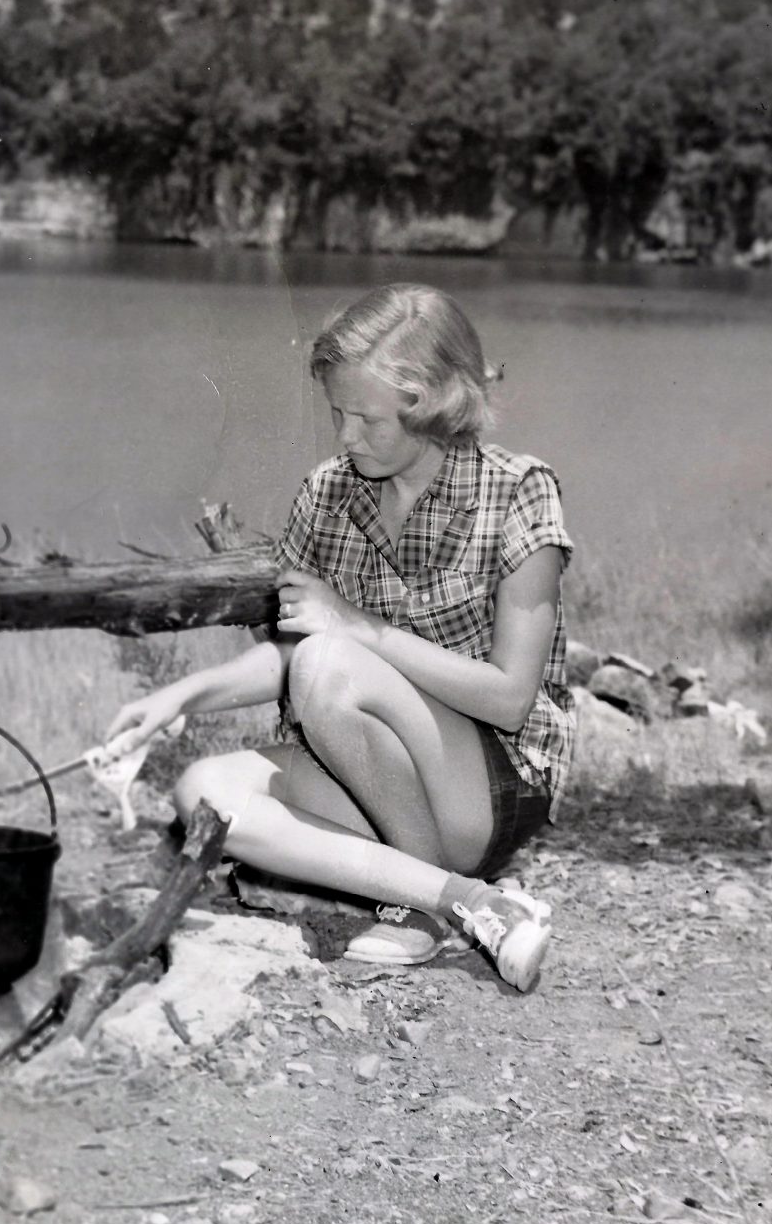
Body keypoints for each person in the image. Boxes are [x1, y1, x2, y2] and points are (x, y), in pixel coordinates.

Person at [106, 284, 574, 991]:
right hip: (371, 770)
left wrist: (356, 628)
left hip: (489, 783)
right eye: (337, 413)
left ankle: (417, 911)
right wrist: (181, 697)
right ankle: (466, 902)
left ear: (434, 403)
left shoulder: (518, 491)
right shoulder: (327, 493)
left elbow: (511, 697)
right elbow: (295, 653)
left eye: (368, 418)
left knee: (331, 662)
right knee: (204, 791)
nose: (347, 436)